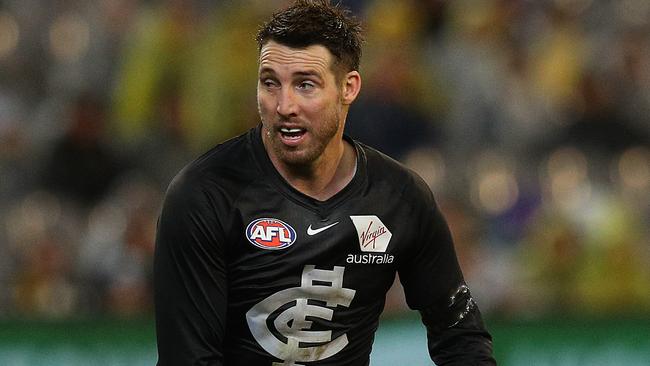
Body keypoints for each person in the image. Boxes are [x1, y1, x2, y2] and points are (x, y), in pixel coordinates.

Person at [153, 1, 496, 365]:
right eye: (270, 83)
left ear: (348, 88)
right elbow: (188, 360)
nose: (284, 105)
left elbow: (461, 337)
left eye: (305, 85)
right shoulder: (205, 195)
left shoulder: (399, 197)